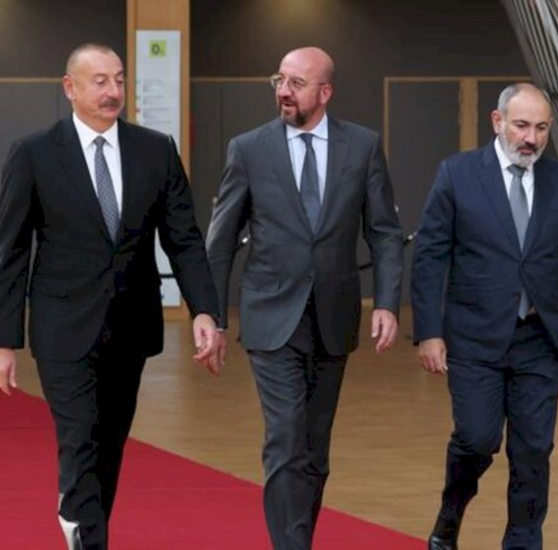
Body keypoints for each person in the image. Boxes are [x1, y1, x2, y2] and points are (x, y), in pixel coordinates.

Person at [0, 43, 221, 550]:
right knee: (79, 438)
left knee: (109, 446)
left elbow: (184, 238)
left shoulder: (155, 150)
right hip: (62, 329)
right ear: (70, 87)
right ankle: (87, 535)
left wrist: (205, 310)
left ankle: (81, 521)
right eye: (99, 81)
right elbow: (10, 250)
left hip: (130, 326)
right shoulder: (34, 153)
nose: (113, 91)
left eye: (119, 80)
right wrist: (4, 340)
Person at [205, 46, 404, 549]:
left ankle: (298, 539)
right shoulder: (249, 149)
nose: (283, 91)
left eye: (296, 83)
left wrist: (385, 302)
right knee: (287, 438)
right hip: (271, 316)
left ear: (325, 92)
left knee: (314, 451)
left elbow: (383, 232)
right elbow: (221, 240)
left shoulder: (363, 146)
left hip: (333, 317)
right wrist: (212, 316)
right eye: (279, 80)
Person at [411, 83, 558, 550]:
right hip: (474, 338)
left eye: (541, 128)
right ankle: (449, 517)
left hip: (539, 338)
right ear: (497, 122)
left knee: (533, 450)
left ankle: (522, 542)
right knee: (477, 441)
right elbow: (430, 257)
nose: (531, 138)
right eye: (521, 126)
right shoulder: (457, 174)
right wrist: (429, 333)